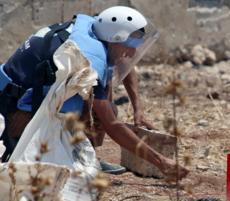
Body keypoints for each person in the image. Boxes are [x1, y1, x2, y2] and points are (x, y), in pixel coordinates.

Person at [0, 6, 188, 178]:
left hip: (23, 94)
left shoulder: (96, 28)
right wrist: (161, 162)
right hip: (13, 108)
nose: (131, 54)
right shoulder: (87, 57)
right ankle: (21, 142)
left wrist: (138, 109)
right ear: (114, 38)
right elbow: (112, 125)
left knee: (105, 102)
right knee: (103, 113)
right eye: (129, 47)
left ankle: (84, 153)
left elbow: (125, 64)